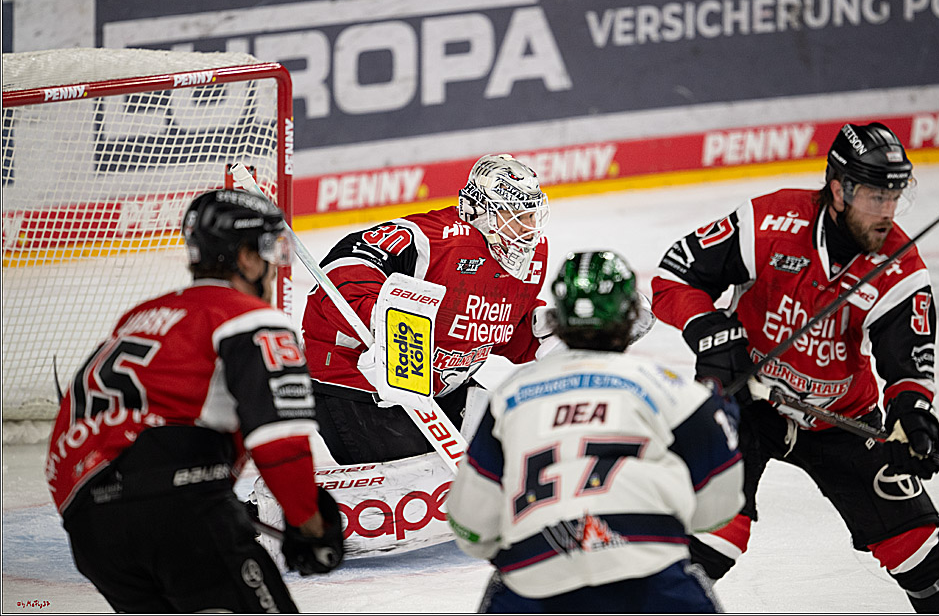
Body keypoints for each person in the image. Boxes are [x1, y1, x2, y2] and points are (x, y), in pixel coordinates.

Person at [650, 122, 939, 613]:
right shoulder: (770, 222)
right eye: (875, 196)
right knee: (710, 539)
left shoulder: (900, 264)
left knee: (920, 557)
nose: (887, 212)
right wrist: (712, 333)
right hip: (749, 403)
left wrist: (913, 416)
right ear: (839, 190)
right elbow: (674, 274)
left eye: (894, 197)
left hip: (840, 418)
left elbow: (908, 362)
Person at [45, 189, 344, 613]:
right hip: (179, 515)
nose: (277, 269)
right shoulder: (252, 319)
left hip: (91, 530)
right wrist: (310, 526)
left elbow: (74, 437)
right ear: (245, 257)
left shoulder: (140, 317)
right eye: (271, 251)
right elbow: (280, 442)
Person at [446, 250, 744, 613]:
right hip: (651, 579)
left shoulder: (509, 399)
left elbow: (471, 527)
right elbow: (720, 508)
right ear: (630, 316)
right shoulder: (667, 389)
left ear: (557, 318)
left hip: (535, 580)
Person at [302, 154, 559, 465]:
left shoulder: (531, 257)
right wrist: (381, 323)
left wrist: (572, 333)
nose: (530, 229)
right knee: (424, 479)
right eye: (517, 215)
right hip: (356, 382)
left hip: (435, 388)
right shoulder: (433, 239)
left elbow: (503, 331)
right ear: (482, 211)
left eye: (532, 215)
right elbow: (343, 265)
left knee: (511, 454)